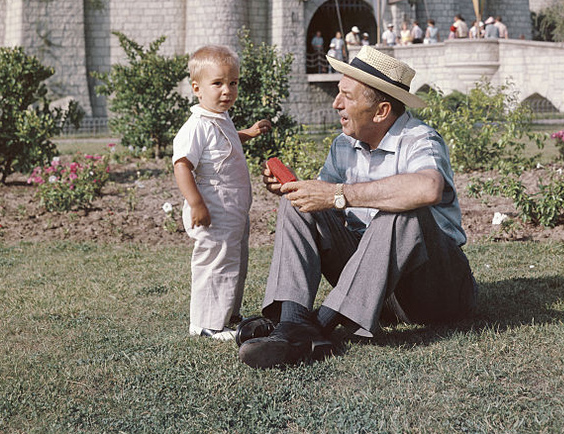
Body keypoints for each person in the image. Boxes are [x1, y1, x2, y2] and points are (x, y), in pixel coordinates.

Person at [237, 45, 476, 369]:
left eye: (347, 96)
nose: (336, 103)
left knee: (405, 211)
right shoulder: (343, 146)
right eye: (339, 93)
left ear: (381, 111)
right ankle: (292, 321)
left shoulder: (420, 139)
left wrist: (339, 193)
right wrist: (302, 191)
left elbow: (428, 187)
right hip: (376, 291)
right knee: (297, 206)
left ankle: (317, 326)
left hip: (434, 291)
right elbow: (324, 203)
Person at [172, 45, 272, 340]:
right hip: (213, 206)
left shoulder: (220, 118)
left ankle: (227, 313)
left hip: (233, 208)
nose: (227, 90)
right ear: (197, 88)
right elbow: (182, 165)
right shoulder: (196, 126)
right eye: (217, 83)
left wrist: (248, 133)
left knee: (234, 260)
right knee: (214, 261)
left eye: (233, 83)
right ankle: (206, 324)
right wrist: (196, 204)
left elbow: (225, 140)